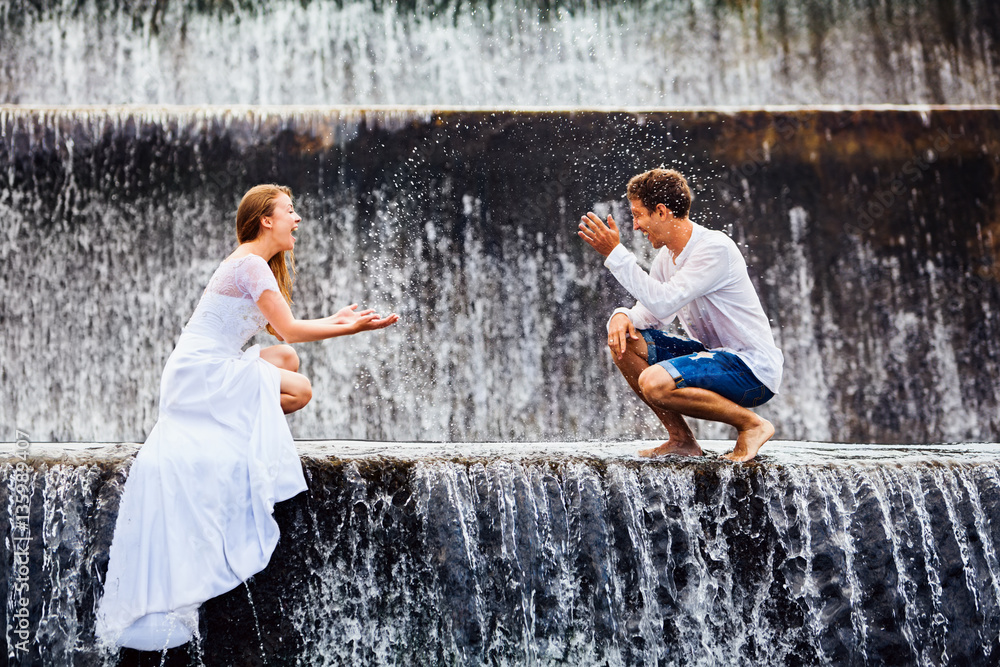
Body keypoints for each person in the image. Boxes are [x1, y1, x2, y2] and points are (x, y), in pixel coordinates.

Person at [96, 184, 398, 651]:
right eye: (289, 212)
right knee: (300, 390)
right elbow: (296, 331)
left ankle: (232, 427)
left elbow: (283, 334)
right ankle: (238, 432)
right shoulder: (252, 264)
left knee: (284, 362)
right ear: (266, 220)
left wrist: (340, 319)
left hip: (197, 372)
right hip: (200, 375)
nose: (297, 220)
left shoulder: (251, 265)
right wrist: (354, 327)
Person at [577, 168, 781, 462]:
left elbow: (663, 303)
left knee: (655, 382)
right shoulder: (667, 257)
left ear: (661, 211)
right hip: (714, 356)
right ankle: (681, 440)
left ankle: (752, 425)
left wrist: (615, 254)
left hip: (751, 370)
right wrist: (621, 316)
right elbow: (652, 315)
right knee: (625, 343)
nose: (635, 226)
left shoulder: (714, 248)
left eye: (638, 215)